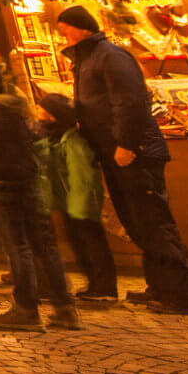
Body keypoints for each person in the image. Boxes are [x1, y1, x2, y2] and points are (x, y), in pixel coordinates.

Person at [55, 5, 188, 316]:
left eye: (64, 29)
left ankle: (183, 295)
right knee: (137, 222)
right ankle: (161, 286)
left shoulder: (110, 56)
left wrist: (128, 144)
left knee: (153, 221)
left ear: (79, 27)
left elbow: (130, 101)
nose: (62, 36)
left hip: (134, 154)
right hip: (115, 153)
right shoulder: (87, 59)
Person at [0, 58, 79, 331]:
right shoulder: (19, 108)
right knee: (45, 244)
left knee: (18, 246)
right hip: (29, 179)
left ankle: (26, 309)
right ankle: (65, 308)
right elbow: (36, 139)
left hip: (1, 182)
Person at [38, 91, 118, 302]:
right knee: (79, 243)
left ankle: (104, 286)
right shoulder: (54, 137)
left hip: (79, 204)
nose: (37, 111)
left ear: (52, 115)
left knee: (90, 242)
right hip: (69, 203)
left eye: (41, 108)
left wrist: (79, 206)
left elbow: (82, 176)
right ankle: (96, 284)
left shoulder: (73, 141)